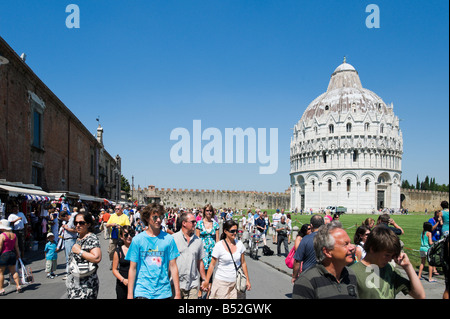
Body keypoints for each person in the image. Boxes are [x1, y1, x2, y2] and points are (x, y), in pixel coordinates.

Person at [350, 226, 425, 299]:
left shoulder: (389, 269)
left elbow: (419, 295)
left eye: (392, 256)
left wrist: (408, 266)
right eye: (387, 255)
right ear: (372, 249)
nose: (390, 260)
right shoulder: (353, 272)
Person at [126, 203, 181, 299]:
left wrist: (177, 293)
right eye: (155, 217)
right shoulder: (137, 240)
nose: (159, 220)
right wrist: (130, 294)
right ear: (147, 218)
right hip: (142, 290)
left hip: (163, 291)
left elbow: (173, 266)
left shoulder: (169, 239)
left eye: (161, 217)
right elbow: (132, 268)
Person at [292, 221, 358, 299]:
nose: (352, 247)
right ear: (327, 252)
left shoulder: (350, 275)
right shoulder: (307, 281)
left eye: (350, 243)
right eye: (346, 244)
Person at [201, 220, 251, 299]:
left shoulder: (239, 244)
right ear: (225, 231)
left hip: (236, 283)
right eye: (232, 231)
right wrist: (207, 281)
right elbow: (212, 265)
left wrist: (247, 280)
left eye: (236, 231)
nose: (235, 233)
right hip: (221, 283)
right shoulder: (219, 245)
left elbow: (243, 263)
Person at [66, 211, 102, 299]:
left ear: (88, 224)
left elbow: (97, 257)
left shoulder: (91, 238)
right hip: (76, 283)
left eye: (81, 223)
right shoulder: (80, 237)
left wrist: (79, 251)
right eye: (76, 223)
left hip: (86, 285)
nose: (78, 225)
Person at [173, 212, 206, 299]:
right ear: (184, 223)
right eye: (193, 222)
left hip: (193, 284)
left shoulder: (198, 241)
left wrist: (204, 279)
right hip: (176, 284)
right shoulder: (173, 239)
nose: (195, 223)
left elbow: (200, 262)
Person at [195, 204, 220, 297]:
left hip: (212, 250)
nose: (209, 212)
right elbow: (197, 238)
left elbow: (217, 239)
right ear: (204, 212)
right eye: (207, 210)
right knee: (203, 270)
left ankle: (209, 292)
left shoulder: (216, 224)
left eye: (210, 211)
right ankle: (200, 291)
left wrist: (219, 251)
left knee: (211, 270)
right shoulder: (199, 223)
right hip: (202, 249)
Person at [292, 214, 324, 283]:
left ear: (311, 225)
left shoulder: (305, 239)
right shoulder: (330, 238)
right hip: (325, 273)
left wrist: (294, 276)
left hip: (308, 274)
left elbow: (297, 260)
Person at [112, 225, 134, 299]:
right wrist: (123, 280)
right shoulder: (118, 251)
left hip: (135, 282)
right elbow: (114, 269)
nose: (129, 236)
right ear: (121, 237)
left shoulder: (137, 249)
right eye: (126, 235)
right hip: (122, 283)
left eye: (131, 234)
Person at [0, 219, 22, 295]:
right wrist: (18, 254)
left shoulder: (2, 235)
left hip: (4, 254)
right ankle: (18, 286)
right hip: (12, 254)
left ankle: (1, 289)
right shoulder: (14, 235)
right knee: (14, 271)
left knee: (1, 272)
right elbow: (16, 246)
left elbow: (0, 246)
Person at [106, 204, 131, 269]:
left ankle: (121, 262)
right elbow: (107, 225)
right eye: (115, 209)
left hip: (121, 236)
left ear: (121, 210)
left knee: (121, 250)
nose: (116, 210)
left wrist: (121, 227)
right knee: (111, 250)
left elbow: (128, 226)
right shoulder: (112, 216)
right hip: (113, 235)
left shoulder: (125, 216)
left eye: (118, 209)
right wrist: (112, 224)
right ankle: (113, 261)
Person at [60, 211, 78, 280]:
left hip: (71, 239)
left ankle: (70, 273)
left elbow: (76, 230)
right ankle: (70, 273)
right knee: (68, 257)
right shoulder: (68, 221)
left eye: (63, 218)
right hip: (67, 240)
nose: (63, 220)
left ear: (66, 216)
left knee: (69, 257)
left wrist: (67, 229)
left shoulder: (72, 220)